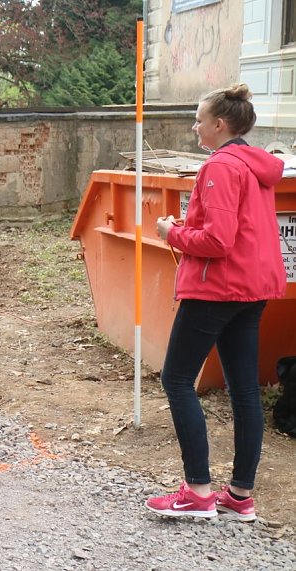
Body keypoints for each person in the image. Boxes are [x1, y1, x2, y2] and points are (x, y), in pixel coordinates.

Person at [145, 84, 286, 522]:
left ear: (219, 125)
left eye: (199, 119)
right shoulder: (255, 165)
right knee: (243, 390)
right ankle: (240, 495)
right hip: (253, 288)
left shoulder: (220, 167)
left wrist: (172, 233)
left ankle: (198, 492)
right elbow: (236, 230)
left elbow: (217, 241)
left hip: (216, 289)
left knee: (177, 380)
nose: (194, 126)